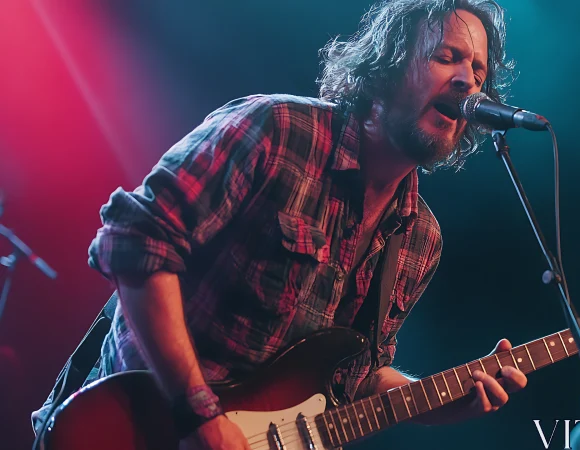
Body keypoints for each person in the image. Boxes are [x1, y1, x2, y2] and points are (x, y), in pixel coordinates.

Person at [31, 1, 528, 448]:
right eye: (447, 57)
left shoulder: (420, 237)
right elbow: (135, 240)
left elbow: (356, 378)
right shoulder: (278, 131)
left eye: (479, 72)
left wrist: (440, 403)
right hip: (138, 428)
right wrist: (199, 414)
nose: (468, 81)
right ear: (389, 64)